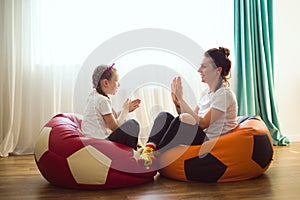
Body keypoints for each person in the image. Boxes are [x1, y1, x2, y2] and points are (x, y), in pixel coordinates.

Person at [139, 47, 238, 167]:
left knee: (184, 118)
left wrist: (181, 99)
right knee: (164, 116)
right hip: (200, 134)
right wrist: (178, 104)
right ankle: (149, 149)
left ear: (218, 70)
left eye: (204, 66)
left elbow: (203, 123)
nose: (199, 70)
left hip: (210, 141)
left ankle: (155, 154)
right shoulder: (206, 93)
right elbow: (192, 117)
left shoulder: (224, 94)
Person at [81, 63, 142, 150]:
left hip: (95, 140)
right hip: (102, 144)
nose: (119, 84)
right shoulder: (102, 100)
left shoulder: (94, 95)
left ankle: (133, 150)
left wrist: (126, 110)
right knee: (132, 124)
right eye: (116, 81)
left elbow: (111, 118)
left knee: (126, 120)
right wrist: (125, 110)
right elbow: (115, 127)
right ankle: (133, 153)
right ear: (106, 83)